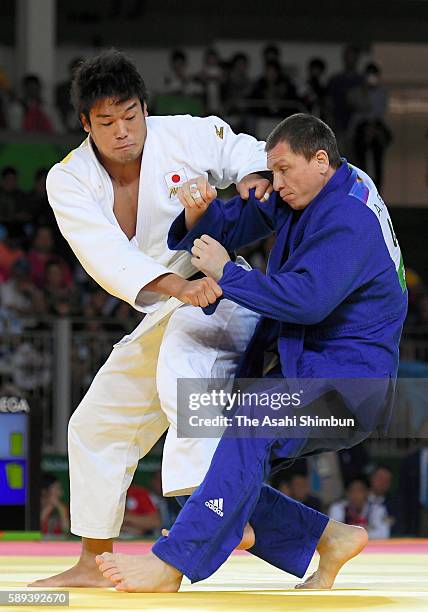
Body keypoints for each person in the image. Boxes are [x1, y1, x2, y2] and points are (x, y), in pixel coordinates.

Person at [96, 113, 407, 592]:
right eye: (272, 171)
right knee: (215, 453)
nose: (274, 183)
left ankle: (174, 562)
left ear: (320, 159)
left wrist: (229, 274)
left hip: (350, 388)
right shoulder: (314, 190)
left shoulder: (349, 217)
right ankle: (330, 538)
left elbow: (307, 301)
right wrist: (203, 216)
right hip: (316, 370)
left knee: (251, 423)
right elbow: (245, 220)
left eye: (283, 170)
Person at [30, 49, 269, 588]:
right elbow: (105, 257)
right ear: (86, 124)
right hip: (167, 299)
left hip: (218, 289)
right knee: (95, 425)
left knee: (183, 378)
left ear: (145, 106)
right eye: (107, 121)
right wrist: (176, 289)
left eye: (131, 114)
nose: (123, 131)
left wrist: (254, 172)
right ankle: (94, 559)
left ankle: (225, 515)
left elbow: (236, 147)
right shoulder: (68, 180)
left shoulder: (181, 133)